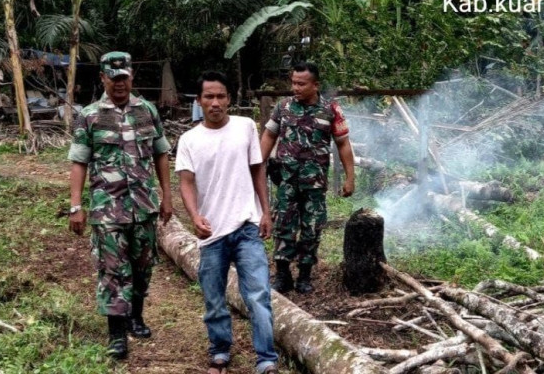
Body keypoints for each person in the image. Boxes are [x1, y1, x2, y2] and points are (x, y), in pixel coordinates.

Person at [68, 51, 173, 360]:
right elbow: (78, 162)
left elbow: (161, 154)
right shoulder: (90, 115)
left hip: (143, 205)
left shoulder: (148, 111)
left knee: (142, 267)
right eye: (113, 79)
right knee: (113, 271)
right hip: (107, 208)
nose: (119, 84)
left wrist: (167, 196)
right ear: (102, 78)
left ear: (131, 77)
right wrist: (76, 206)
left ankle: (135, 317)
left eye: (124, 78)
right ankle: (116, 334)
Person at [175, 71, 279, 374]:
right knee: (214, 297)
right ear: (199, 101)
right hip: (212, 233)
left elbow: (257, 170)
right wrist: (194, 216)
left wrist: (265, 211)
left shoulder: (245, 127)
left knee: (258, 294)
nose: (215, 102)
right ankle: (219, 350)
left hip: (246, 226)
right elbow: (185, 182)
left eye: (221, 96)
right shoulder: (189, 140)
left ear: (229, 99)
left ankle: (266, 359)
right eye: (209, 96)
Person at [259, 61, 355, 294]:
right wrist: (257, 165)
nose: (296, 88)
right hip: (286, 182)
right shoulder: (283, 108)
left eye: (301, 84)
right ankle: (282, 274)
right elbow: (268, 136)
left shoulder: (331, 110)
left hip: (315, 184)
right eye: (293, 83)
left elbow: (343, 144)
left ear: (315, 85)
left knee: (312, 228)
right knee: (283, 226)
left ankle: (304, 275)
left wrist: (350, 177)